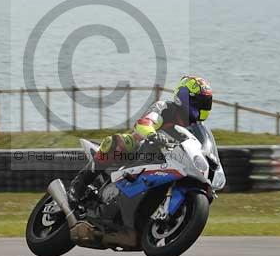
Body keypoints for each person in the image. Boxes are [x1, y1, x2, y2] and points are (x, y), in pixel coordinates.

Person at [68, 75, 213, 205]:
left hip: (172, 162)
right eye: (199, 102)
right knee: (120, 142)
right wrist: (152, 135)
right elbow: (145, 123)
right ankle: (79, 185)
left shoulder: (198, 128)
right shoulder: (165, 108)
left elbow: (204, 148)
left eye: (206, 103)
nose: (202, 106)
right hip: (144, 152)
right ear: (184, 97)